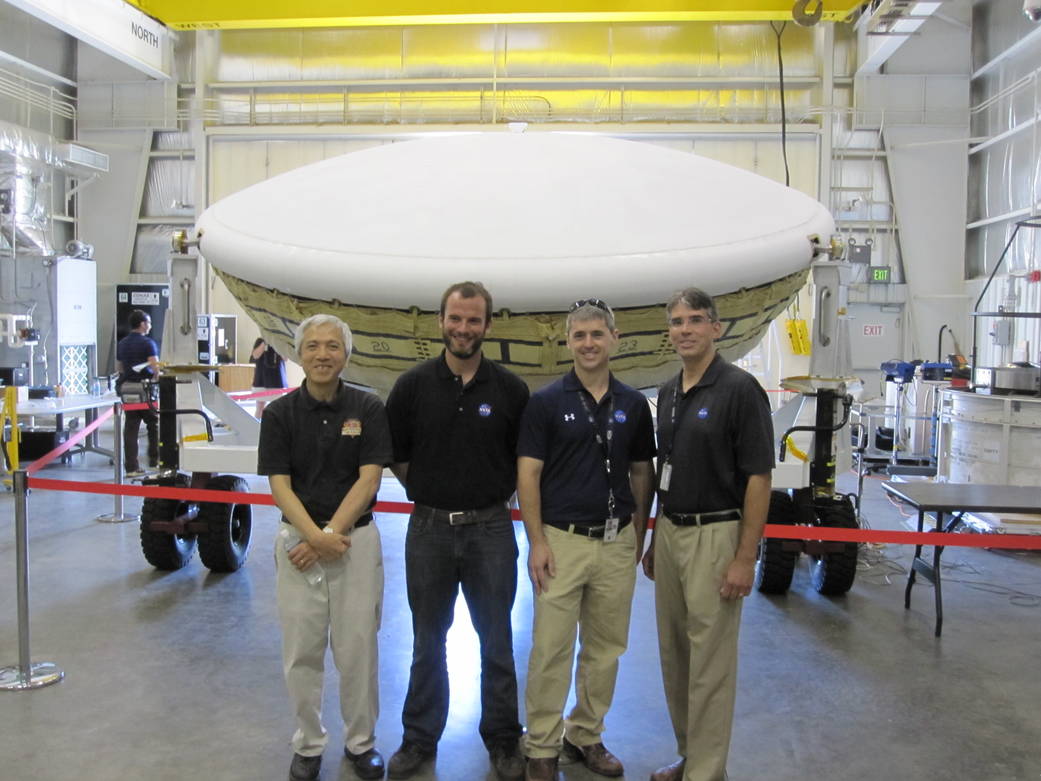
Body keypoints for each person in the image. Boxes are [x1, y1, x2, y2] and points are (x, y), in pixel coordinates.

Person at [385, 281, 530, 781]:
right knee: (427, 640)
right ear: (440, 321)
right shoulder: (411, 387)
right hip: (427, 529)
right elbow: (398, 456)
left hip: (490, 530)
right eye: (455, 318)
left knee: (497, 641)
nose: (463, 328)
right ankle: (418, 739)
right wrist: (432, 491)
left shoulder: (510, 390)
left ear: (488, 326)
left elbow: (522, 462)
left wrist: (487, 497)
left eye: (473, 320)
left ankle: (505, 741)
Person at [517, 299, 655, 781]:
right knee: (551, 646)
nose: (589, 343)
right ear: (568, 342)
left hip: (617, 541)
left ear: (615, 339)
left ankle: (587, 734)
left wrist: (639, 532)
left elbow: (642, 471)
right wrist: (536, 541)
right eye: (580, 336)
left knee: (606, 648)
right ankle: (541, 744)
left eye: (598, 334)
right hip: (562, 540)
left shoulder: (634, 405)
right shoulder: (546, 402)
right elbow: (528, 474)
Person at [642, 288, 774, 781]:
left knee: (710, 662)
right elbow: (666, 470)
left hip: (717, 535)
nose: (685, 329)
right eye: (676, 321)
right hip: (673, 533)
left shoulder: (739, 390)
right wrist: (656, 535)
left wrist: (745, 556)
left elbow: (759, 478)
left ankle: (706, 772)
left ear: (716, 328)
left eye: (696, 320)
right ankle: (690, 755)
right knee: (675, 654)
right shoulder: (670, 392)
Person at [257, 313, 392, 781]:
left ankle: (361, 743)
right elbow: (279, 485)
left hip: (356, 540)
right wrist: (313, 537)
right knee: (302, 651)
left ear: (346, 354)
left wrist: (331, 533)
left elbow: (370, 477)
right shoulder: (278, 414)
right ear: (298, 353)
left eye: (332, 346)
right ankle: (308, 744)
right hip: (298, 542)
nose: (322, 354)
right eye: (312, 346)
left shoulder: (369, 409)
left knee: (358, 647)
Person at [115, 309, 159, 477]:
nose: (150, 325)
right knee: (154, 424)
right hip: (144, 389)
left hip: (127, 389)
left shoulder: (122, 343)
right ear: (142, 324)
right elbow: (155, 368)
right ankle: (155, 461)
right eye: (148, 322)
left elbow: (119, 368)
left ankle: (131, 467)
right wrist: (158, 378)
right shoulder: (148, 343)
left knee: (131, 427)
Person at [251, 337, 288, 416]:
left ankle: (276, 427)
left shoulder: (281, 341)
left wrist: (277, 344)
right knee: (260, 407)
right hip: (261, 380)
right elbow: (255, 355)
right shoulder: (260, 341)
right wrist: (265, 342)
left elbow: (285, 358)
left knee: (278, 408)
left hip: (277, 380)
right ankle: (258, 426)